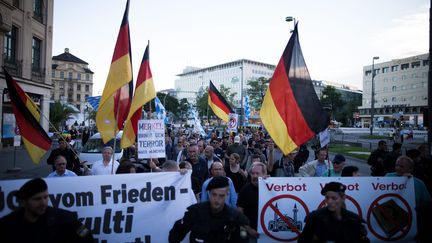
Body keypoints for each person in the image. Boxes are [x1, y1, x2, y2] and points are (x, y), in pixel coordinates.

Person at [0, 178, 93, 243]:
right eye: (37, 199)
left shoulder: (65, 219)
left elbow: (86, 235)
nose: (43, 203)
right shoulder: (8, 225)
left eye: (45, 197)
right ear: (23, 202)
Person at [169, 176, 250, 243]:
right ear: (209, 193)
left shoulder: (235, 217)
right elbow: (175, 233)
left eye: (221, 196)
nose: (217, 199)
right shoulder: (196, 212)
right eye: (214, 194)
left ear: (227, 195)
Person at [298, 182, 369, 243]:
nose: (329, 202)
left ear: (343, 197)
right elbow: (302, 240)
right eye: (327, 198)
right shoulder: (315, 218)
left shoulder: (354, 220)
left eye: (334, 198)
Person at [237, 162, 267, 241]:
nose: (254, 176)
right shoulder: (245, 190)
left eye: (257, 173)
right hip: (251, 233)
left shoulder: (272, 187)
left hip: (269, 233)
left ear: (264, 174)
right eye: (252, 173)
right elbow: (239, 212)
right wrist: (249, 229)